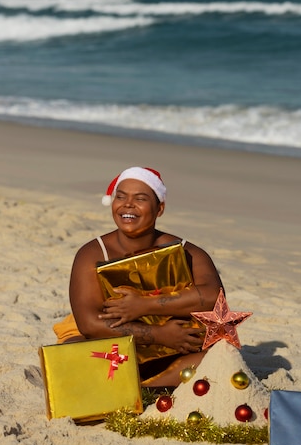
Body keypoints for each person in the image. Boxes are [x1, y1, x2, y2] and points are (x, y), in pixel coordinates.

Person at [53, 166, 223, 387]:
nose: (128, 204)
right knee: (73, 356)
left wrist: (145, 305)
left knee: (221, 355)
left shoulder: (186, 251)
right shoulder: (93, 253)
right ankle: (144, 386)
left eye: (140, 198)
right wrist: (159, 334)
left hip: (169, 348)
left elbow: (214, 298)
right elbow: (90, 325)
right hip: (107, 342)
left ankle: (143, 388)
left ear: (159, 208)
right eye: (120, 197)